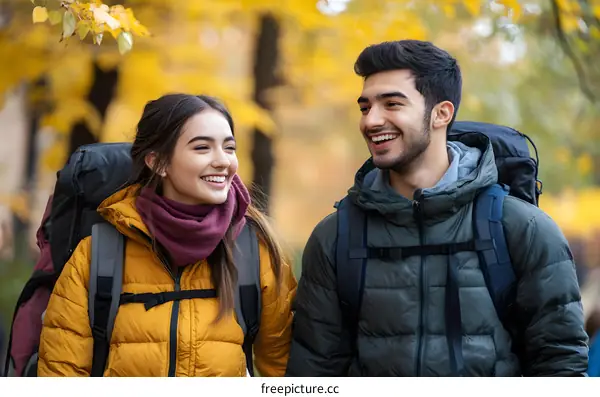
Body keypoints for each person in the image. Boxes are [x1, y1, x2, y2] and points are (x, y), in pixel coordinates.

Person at [285, 40, 588, 377]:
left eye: (392, 104)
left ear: (442, 113)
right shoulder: (336, 237)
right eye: (365, 107)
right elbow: (313, 372)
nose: (371, 121)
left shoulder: (522, 228)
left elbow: (561, 365)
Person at [37, 93, 297, 377]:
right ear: (158, 162)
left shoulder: (255, 250)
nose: (223, 162)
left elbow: (286, 373)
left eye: (229, 147)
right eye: (202, 148)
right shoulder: (98, 254)